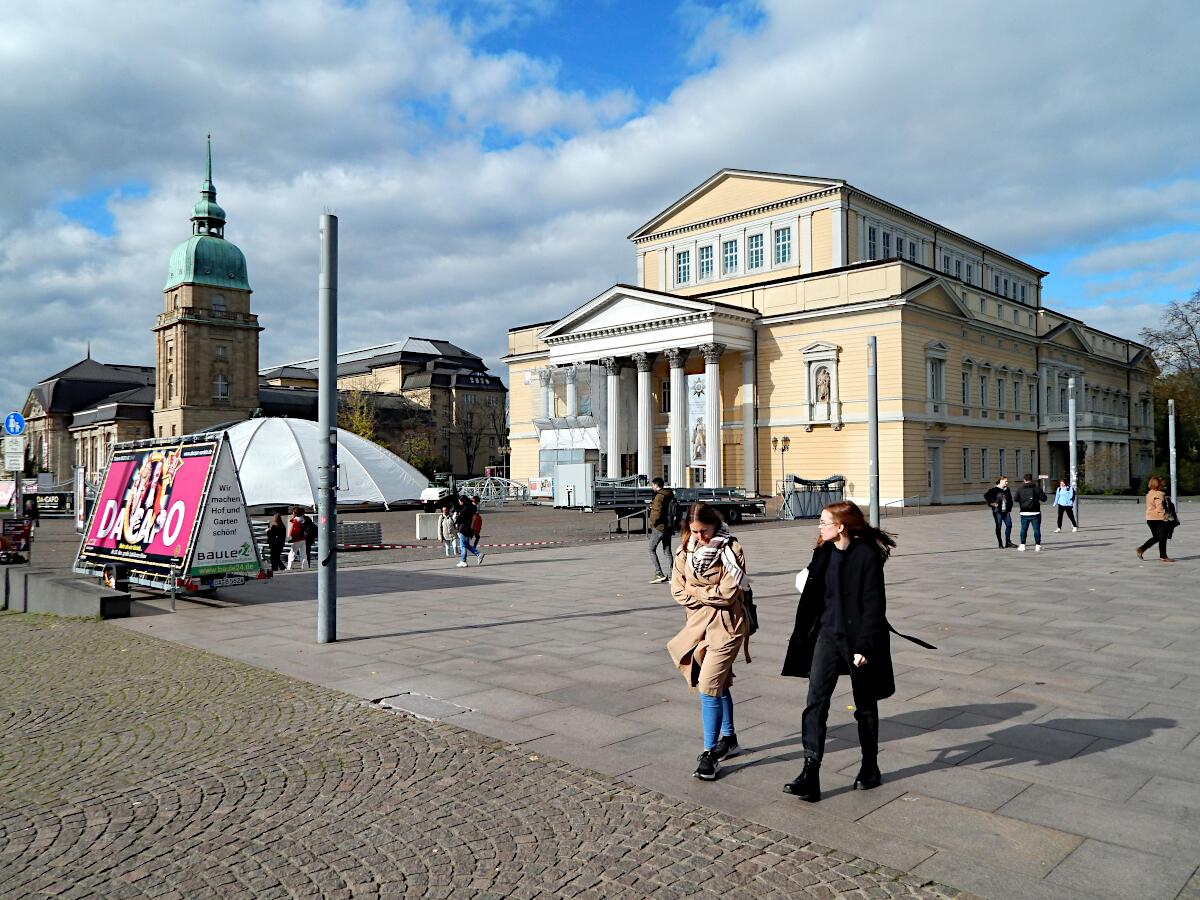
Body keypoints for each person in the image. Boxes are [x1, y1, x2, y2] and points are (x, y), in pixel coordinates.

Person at [781, 501, 928, 802]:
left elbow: (874, 605)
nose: (819, 526)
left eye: (823, 522)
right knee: (815, 703)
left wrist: (864, 646)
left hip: (858, 640)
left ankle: (869, 766)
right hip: (826, 637)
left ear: (841, 526)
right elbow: (813, 595)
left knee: (864, 704)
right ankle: (810, 771)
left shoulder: (867, 556)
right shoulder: (822, 553)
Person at [667, 502, 750, 782]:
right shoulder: (685, 550)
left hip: (727, 627)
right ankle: (730, 739)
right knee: (719, 682)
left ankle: (710, 753)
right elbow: (677, 589)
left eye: (704, 531)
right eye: (694, 531)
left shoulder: (731, 549)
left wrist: (697, 591)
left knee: (708, 687)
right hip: (696, 627)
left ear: (715, 524)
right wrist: (704, 592)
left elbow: (728, 594)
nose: (699, 537)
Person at [1136, 475, 1175, 563]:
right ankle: (1163, 557)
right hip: (1158, 519)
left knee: (1157, 537)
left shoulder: (1149, 493)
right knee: (1162, 537)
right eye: (1162, 483)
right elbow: (1159, 508)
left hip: (1149, 519)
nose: (1163, 485)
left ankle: (1141, 549)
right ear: (1158, 485)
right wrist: (1166, 517)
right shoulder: (1159, 494)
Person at [647, 477, 677, 583]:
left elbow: (657, 512)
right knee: (667, 551)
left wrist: (652, 523)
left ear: (655, 485)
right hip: (669, 527)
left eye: (652, 485)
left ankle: (658, 573)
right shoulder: (669, 494)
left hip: (659, 527)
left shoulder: (659, 496)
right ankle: (672, 575)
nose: (652, 487)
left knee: (651, 549)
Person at [1015, 474, 1047, 552]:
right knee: (1036, 529)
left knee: (1023, 529)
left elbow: (1015, 499)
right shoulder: (1037, 488)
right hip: (1035, 512)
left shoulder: (1020, 489)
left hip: (1024, 512)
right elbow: (1044, 499)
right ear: (1032, 480)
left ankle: (1022, 545)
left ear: (1024, 480)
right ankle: (1037, 546)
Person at [984, 476, 1015, 549]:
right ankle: (1000, 543)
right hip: (997, 511)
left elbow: (1010, 499)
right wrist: (993, 503)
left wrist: (1009, 507)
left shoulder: (1007, 489)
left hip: (1006, 511)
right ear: (1001, 481)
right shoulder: (994, 489)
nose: (1007, 483)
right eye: (1006, 481)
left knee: (1009, 525)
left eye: (1007, 481)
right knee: (999, 526)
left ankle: (1008, 542)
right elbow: (986, 496)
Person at [455, 494, 485, 567]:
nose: (459, 502)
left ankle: (467, 559)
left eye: (460, 501)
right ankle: (466, 559)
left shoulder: (465, 508)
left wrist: (456, 517)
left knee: (463, 545)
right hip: (471, 529)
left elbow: (460, 519)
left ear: (462, 501)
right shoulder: (473, 507)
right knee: (465, 544)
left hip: (464, 528)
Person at [287, 506, 309, 570]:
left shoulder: (296, 520)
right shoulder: (303, 519)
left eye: (293, 512)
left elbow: (292, 531)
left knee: (292, 554)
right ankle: (305, 567)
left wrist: (290, 538)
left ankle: (289, 567)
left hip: (297, 539)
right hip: (303, 539)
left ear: (295, 513)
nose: (292, 514)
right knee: (303, 554)